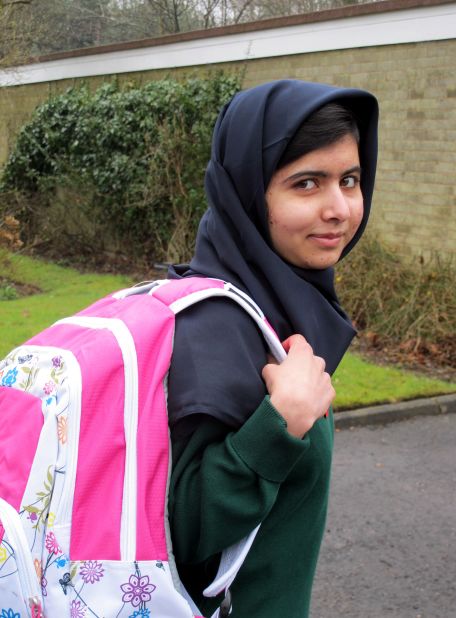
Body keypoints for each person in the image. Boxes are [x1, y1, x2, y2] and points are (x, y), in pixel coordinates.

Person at [167, 79, 378, 617]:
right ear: (246, 191)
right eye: (307, 183)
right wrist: (279, 423)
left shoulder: (278, 304)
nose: (339, 208)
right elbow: (181, 533)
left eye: (349, 180)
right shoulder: (216, 330)